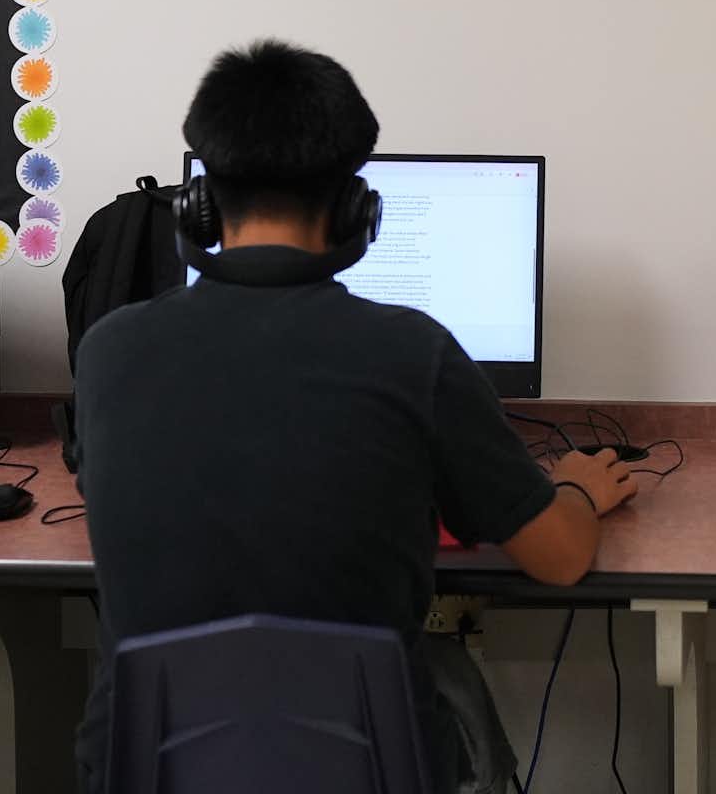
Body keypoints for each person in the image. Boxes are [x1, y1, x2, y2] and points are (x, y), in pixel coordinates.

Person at [72, 40, 637, 793]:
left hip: (145, 769)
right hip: (365, 770)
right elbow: (560, 559)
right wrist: (575, 490)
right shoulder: (413, 353)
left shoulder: (110, 351)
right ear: (356, 209)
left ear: (199, 203)